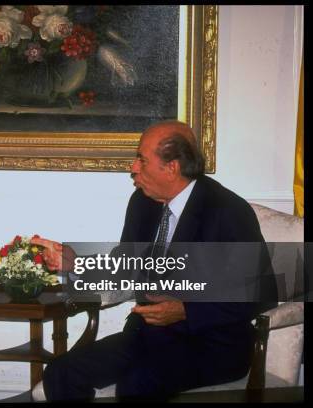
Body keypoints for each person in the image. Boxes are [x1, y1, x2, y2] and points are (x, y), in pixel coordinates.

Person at [32, 120, 277, 400]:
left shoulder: (228, 211)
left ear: (171, 167)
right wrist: (76, 263)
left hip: (212, 345)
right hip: (148, 336)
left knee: (138, 384)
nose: (133, 168)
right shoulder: (142, 203)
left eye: (141, 159)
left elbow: (262, 293)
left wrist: (187, 310)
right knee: (61, 372)